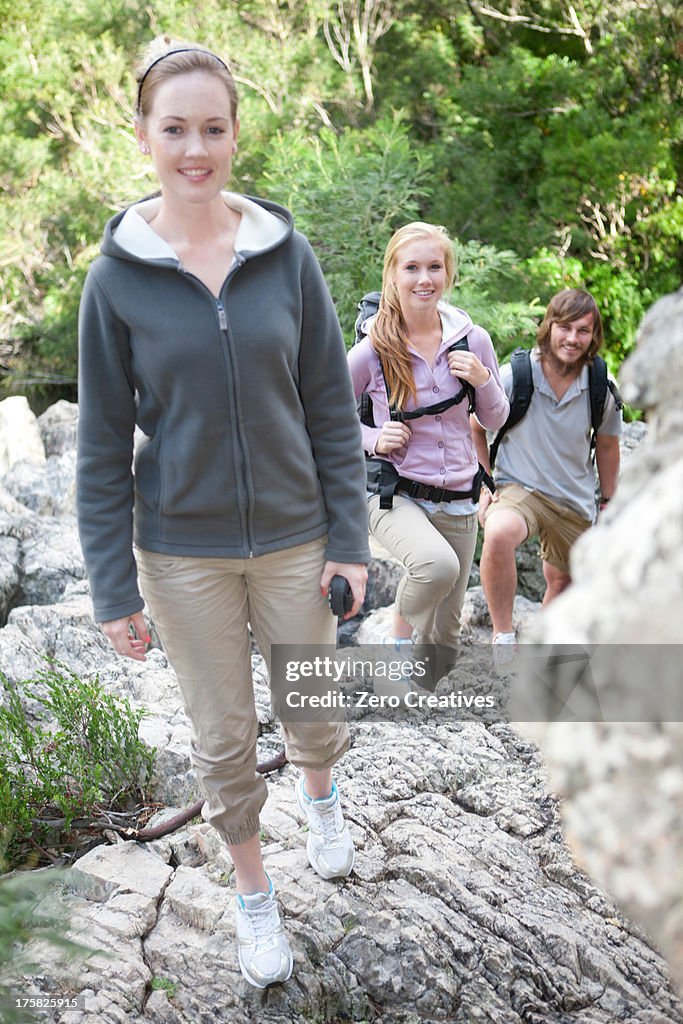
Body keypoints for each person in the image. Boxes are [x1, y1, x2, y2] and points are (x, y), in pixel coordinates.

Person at [76, 36, 369, 990]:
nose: (194, 147)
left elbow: (332, 405)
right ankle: (254, 897)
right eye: (175, 129)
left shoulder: (285, 256)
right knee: (222, 737)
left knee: (313, 713)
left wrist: (350, 538)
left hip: (295, 539)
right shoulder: (115, 278)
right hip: (181, 554)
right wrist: (113, 588)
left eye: (212, 127)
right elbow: (101, 444)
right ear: (144, 137)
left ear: (236, 134)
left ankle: (323, 801)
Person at [347, 222, 509, 691]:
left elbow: (495, 419)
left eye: (434, 267)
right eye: (412, 267)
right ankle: (393, 644)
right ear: (393, 275)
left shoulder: (472, 339)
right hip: (395, 494)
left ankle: (415, 697)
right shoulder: (372, 349)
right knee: (436, 566)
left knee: (443, 646)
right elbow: (322, 415)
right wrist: (374, 438)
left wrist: (482, 378)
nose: (424, 279)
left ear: (448, 273)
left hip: (459, 497)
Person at [471, 288, 622, 672]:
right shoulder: (516, 374)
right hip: (520, 488)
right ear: (549, 327)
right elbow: (473, 426)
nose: (573, 339)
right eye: (565, 327)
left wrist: (608, 504)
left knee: (564, 583)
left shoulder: (601, 385)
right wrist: (484, 484)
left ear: (594, 336)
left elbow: (606, 447)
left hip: (573, 498)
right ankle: (503, 638)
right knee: (500, 531)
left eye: (583, 331)